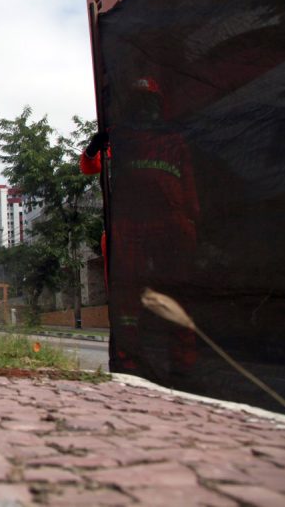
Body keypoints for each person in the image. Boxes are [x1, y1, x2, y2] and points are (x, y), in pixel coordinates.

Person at [81, 76, 199, 376]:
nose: (145, 108)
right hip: (130, 223)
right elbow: (89, 167)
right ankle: (129, 359)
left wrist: (191, 223)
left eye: (150, 101)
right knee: (126, 293)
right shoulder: (122, 138)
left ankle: (183, 363)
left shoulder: (173, 141)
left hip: (169, 223)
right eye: (139, 102)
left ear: (159, 105)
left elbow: (189, 189)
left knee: (176, 290)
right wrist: (93, 148)